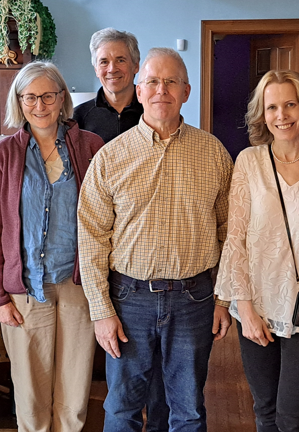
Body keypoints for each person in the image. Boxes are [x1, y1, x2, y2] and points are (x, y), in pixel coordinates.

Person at [78, 47, 233, 432]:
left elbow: (230, 231)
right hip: (129, 300)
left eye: (170, 82)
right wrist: (101, 311)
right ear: (139, 90)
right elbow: (92, 236)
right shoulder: (111, 157)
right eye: (152, 81)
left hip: (194, 299)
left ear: (186, 91)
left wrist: (223, 298)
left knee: (188, 409)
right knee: (122, 409)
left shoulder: (213, 153)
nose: (160, 89)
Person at [216, 70, 299, 432]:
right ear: (262, 114)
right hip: (257, 304)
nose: (282, 115)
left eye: (290, 104)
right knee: (266, 412)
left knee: (294, 418)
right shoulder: (248, 161)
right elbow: (236, 238)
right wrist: (242, 305)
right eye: (272, 106)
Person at [0, 61, 105, 432]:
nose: (40, 105)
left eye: (48, 95)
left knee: (73, 399)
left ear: (62, 98)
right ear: (19, 101)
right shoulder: (4, 154)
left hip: (77, 287)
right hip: (25, 294)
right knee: (32, 402)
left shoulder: (90, 147)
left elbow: (104, 221)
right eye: (30, 97)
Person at [73, 27, 144, 144]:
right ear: (96, 69)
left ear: (135, 66)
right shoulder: (78, 118)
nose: (112, 69)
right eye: (104, 62)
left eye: (120, 60)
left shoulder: (153, 111)